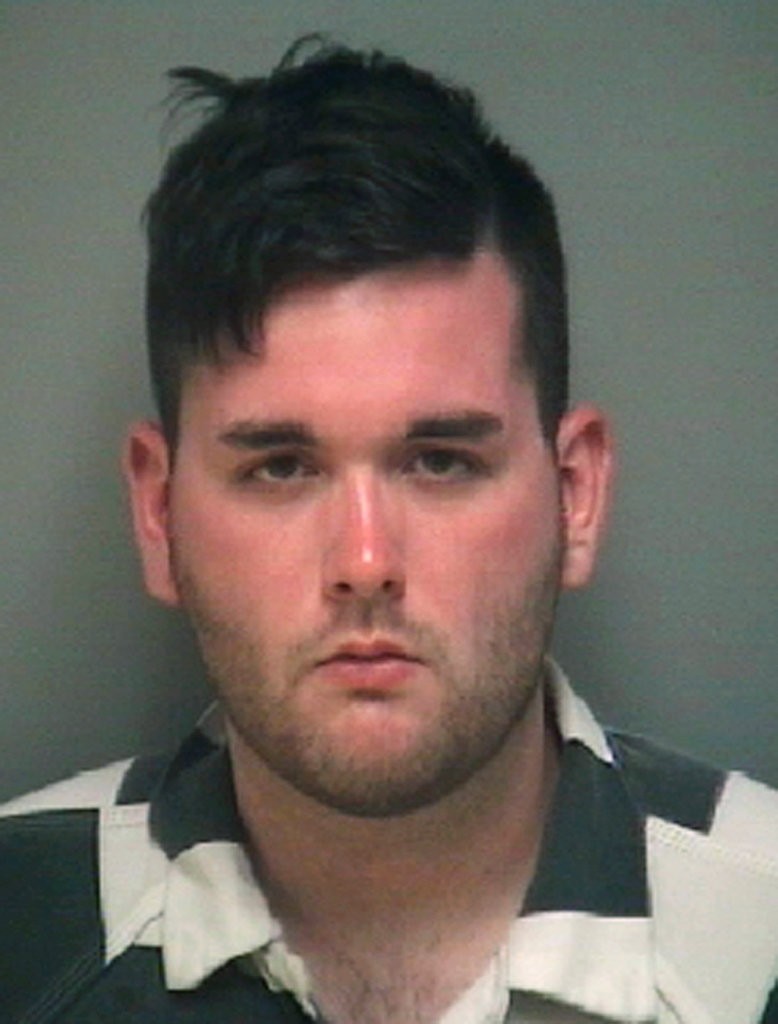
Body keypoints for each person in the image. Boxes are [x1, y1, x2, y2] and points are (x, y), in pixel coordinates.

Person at [2, 38, 776, 1024]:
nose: (365, 563)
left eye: (440, 461)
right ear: (158, 515)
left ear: (575, 495)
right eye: (281, 468)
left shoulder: (761, 937)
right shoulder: (22, 928)